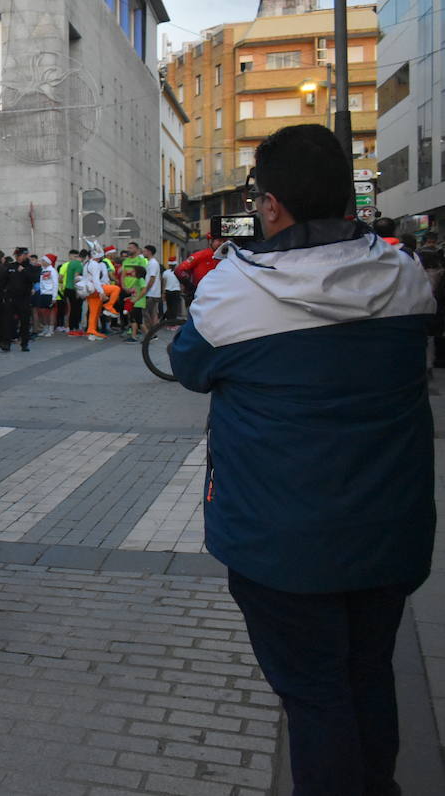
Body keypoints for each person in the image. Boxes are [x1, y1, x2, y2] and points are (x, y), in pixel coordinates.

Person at [170, 124, 436, 794]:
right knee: (369, 674)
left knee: (316, 698)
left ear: (273, 204)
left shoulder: (235, 289)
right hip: (389, 530)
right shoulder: (403, 277)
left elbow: (190, 367)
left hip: (282, 539)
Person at [0, 247, 37, 352]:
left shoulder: (30, 267)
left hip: (24, 299)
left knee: (25, 322)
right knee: (8, 322)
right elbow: (2, 282)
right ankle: (6, 343)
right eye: (18, 256)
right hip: (11, 298)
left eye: (22, 255)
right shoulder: (11, 267)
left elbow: (34, 278)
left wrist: (24, 271)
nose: (20, 257)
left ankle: (24, 343)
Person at [142, 245, 163, 332]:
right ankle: (153, 332)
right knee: (153, 313)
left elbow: (152, 278)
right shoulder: (150, 262)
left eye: (144, 251)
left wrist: (146, 290)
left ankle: (150, 332)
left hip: (151, 293)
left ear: (149, 252)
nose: (143, 252)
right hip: (153, 293)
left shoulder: (153, 263)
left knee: (146, 313)